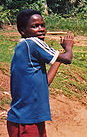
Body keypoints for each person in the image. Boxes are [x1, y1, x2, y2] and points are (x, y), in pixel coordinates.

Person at [7, 9, 74, 137]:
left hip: (32, 119)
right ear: (22, 30)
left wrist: (56, 60)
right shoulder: (32, 43)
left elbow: (45, 83)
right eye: (35, 26)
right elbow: (68, 58)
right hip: (26, 122)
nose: (41, 29)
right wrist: (68, 47)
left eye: (42, 25)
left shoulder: (23, 47)